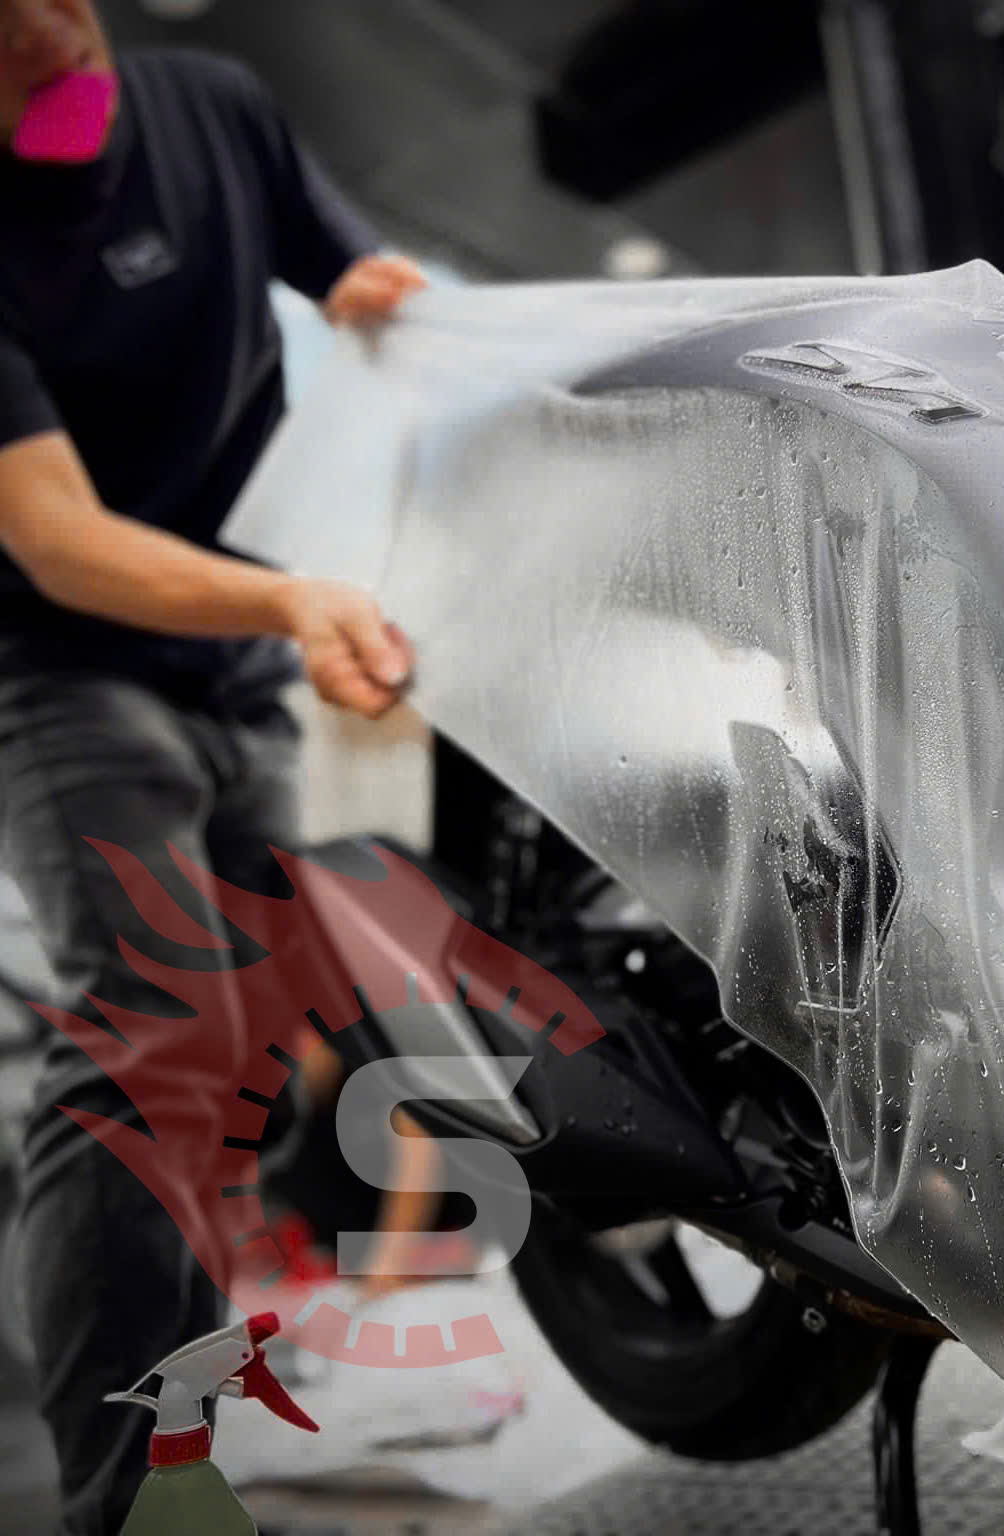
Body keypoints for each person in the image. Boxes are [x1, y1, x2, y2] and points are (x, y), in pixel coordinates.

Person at [0, 3, 425, 1529]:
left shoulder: (216, 108)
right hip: (65, 667)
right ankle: (128, 1503)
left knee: (242, 1062)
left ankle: (194, 1414)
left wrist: (391, 311)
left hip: (240, 659)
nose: (40, 34)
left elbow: (353, 279)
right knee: (150, 1033)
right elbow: (56, 540)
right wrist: (293, 600)